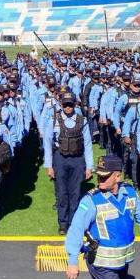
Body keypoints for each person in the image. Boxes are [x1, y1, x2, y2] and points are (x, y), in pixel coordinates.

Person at [43, 91, 93, 234]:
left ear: (74, 104)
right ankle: (63, 224)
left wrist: (89, 167)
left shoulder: (81, 120)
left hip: (77, 159)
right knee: (62, 193)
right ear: (61, 104)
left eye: (70, 104)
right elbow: (47, 142)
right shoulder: (54, 120)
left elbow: (88, 144)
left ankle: (74, 223)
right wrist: (49, 166)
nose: (68, 108)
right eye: (65, 105)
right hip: (60, 158)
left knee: (76, 193)